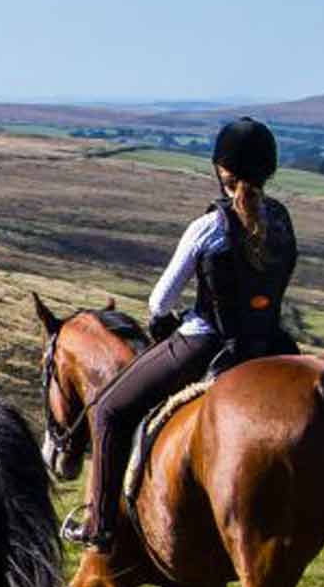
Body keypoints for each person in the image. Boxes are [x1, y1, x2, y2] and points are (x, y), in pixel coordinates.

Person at [65, 116, 297, 551]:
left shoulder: (209, 227)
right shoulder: (282, 220)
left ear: (220, 169)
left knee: (109, 410)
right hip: (269, 345)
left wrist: (166, 325)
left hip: (208, 343)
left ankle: (100, 527)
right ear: (268, 169)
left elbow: (160, 302)